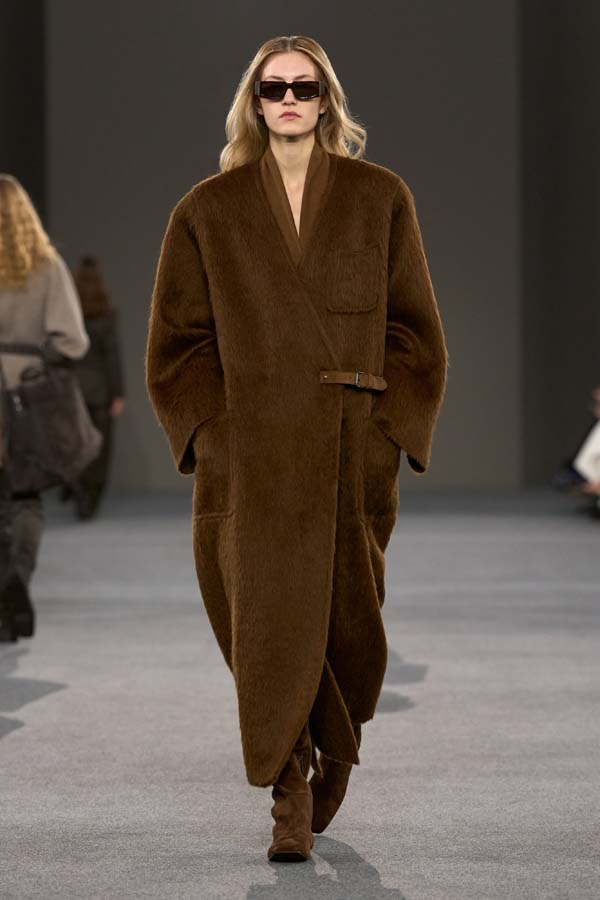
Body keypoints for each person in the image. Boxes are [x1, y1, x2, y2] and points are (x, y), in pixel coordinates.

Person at [145, 35, 448, 862]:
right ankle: (288, 786)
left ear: (325, 101)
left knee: (350, 616)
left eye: (303, 88)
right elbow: (177, 345)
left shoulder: (379, 197)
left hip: (351, 447)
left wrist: (387, 434)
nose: (288, 100)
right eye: (273, 88)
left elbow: (416, 333)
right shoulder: (208, 210)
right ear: (253, 102)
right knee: (263, 620)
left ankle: (337, 749)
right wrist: (215, 436)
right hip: (253, 455)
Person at [0, 174, 89, 642]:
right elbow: (73, 341)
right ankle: (16, 579)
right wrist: (35, 358)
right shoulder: (45, 266)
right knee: (26, 495)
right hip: (27, 397)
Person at [65, 256, 125, 519]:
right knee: (100, 447)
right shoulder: (106, 315)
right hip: (100, 392)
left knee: (77, 443)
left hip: (74, 390)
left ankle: (77, 489)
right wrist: (118, 393)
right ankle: (90, 497)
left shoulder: (70, 315)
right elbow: (112, 357)